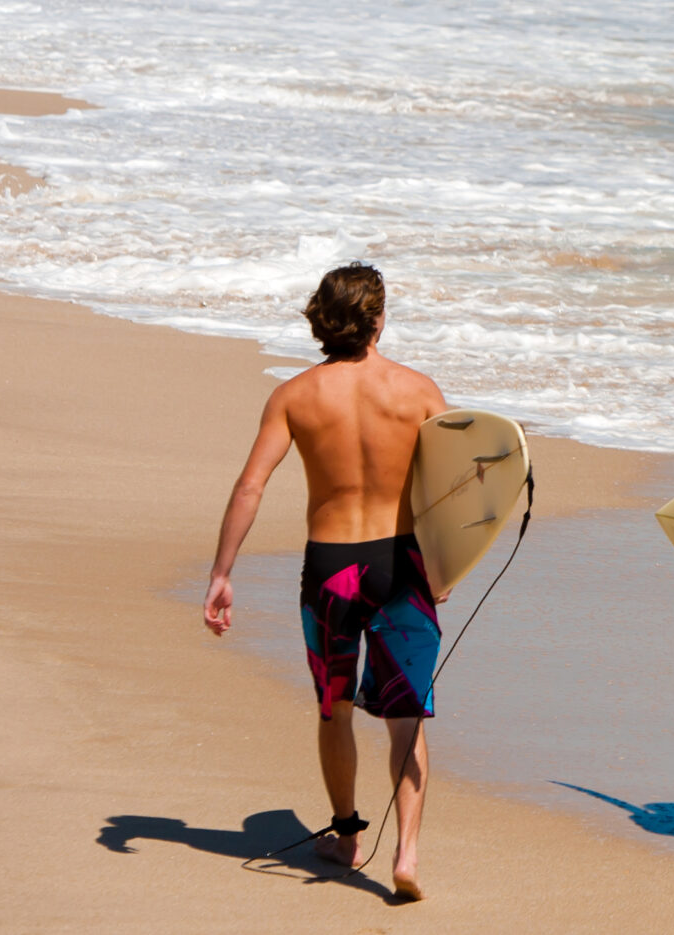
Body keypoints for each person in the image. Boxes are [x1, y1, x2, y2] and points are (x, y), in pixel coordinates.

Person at [203, 263, 448, 900]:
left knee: (334, 708)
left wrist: (223, 572)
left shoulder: (294, 397)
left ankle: (345, 836)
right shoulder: (418, 391)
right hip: (402, 566)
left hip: (331, 570)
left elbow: (251, 484)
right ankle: (408, 857)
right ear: (378, 318)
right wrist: (446, 569)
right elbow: (451, 491)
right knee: (405, 718)